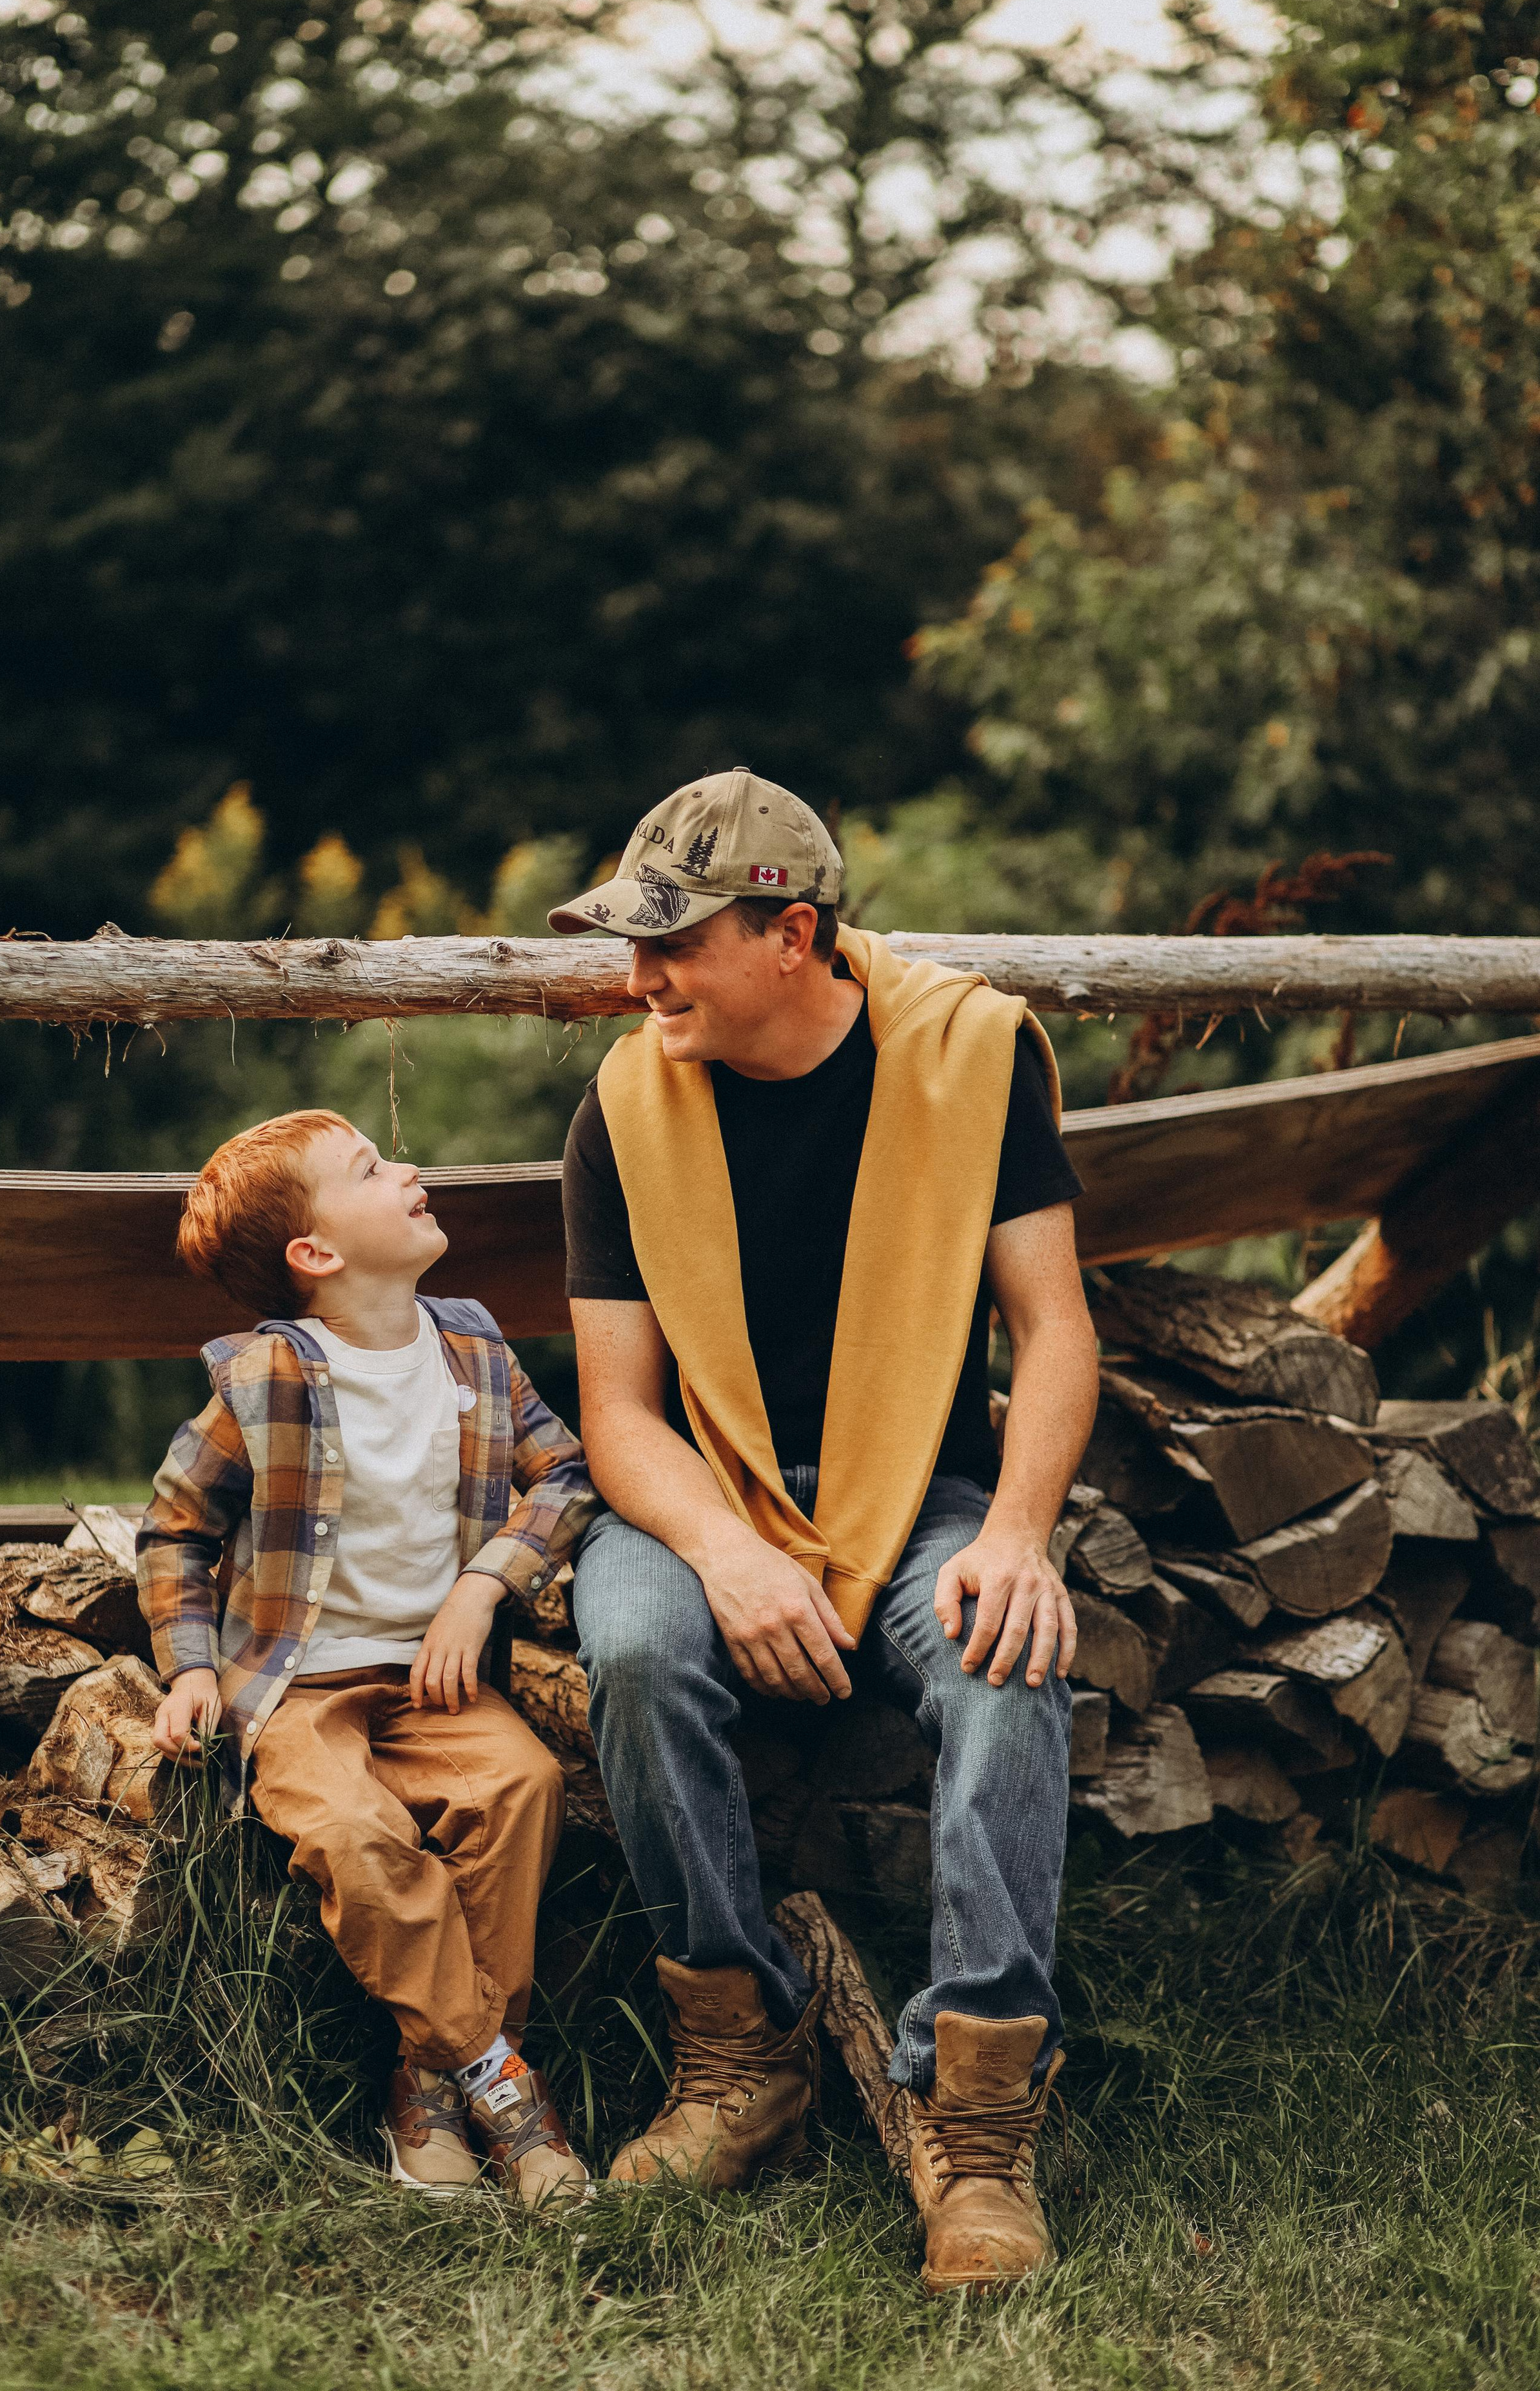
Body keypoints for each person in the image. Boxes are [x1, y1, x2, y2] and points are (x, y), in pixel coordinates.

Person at [551, 769, 1098, 2290]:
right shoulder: (621, 1108)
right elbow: (619, 1417)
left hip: (919, 1498)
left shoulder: (966, 1062)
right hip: (697, 1493)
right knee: (643, 1645)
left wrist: (1022, 1534)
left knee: (1004, 1656)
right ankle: (741, 2061)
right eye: (629, 940)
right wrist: (727, 1552)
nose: (637, 974)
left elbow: (1053, 1329)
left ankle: (977, 2127)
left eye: (672, 942)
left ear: (789, 934)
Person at [135, 1108, 596, 2209]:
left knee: (522, 1786)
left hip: (434, 1680)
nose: (413, 1169)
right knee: (353, 1834)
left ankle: (429, 2088)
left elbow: (567, 1476)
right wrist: (191, 1665)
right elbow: (175, 1527)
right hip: (296, 1687)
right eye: (374, 1168)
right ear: (317, 1254)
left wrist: (486, 1586)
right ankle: (503, 2087)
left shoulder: (473, 1348)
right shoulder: (264, 1379)